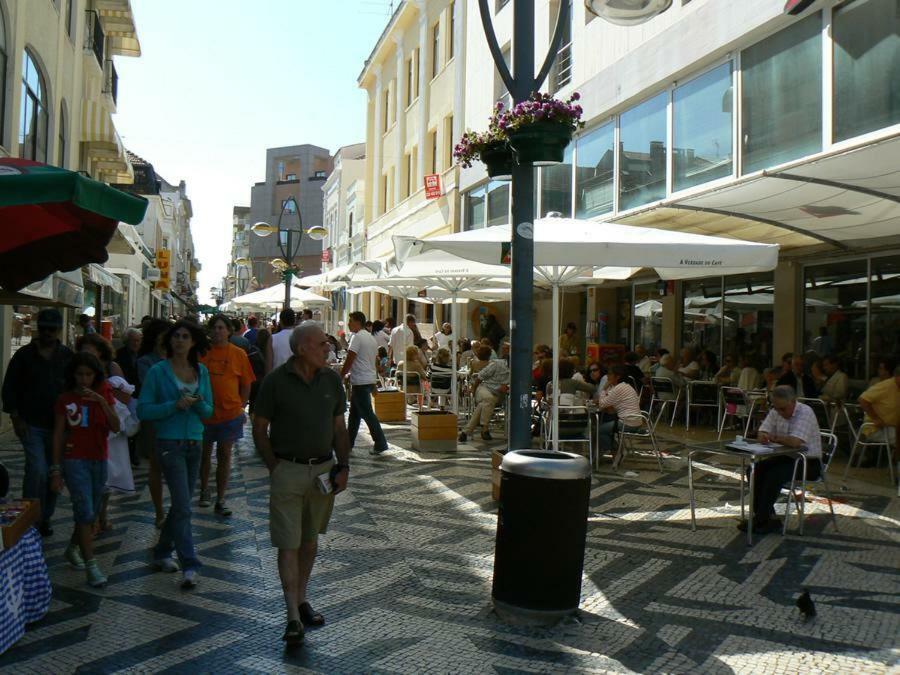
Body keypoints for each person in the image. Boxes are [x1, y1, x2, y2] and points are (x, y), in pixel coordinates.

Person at [252, 322, 351, 646]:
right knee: (288, 543)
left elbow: (339, 427)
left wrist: (344, 465)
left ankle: (302, 599)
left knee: (309, 541)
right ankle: (292, 616)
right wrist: (274, 467)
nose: (328, 348)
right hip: (288, 471)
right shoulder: (276, 382)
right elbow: (259, 427)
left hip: (322, 470)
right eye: (322, 344)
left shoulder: (332, 380)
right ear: (303, 348)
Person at [137, 320, 213, 589]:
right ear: (170, 341)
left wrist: (199, 403)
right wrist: (174, 405)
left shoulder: (201, 372)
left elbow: (208, 412)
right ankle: (190, 564)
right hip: (169, 444)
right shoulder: (158, 372)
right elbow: (144, 410)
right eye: (176, 336)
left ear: (193, 342)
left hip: (195, 443)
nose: (180, 340)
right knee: (182, 506)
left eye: (185, 336)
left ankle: (161, 552)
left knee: (180, 506)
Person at [50, 352, 120, 587]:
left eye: (88, 375)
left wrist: (100, 400)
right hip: (74, 459)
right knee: (84, 510)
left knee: (91, 510)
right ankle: (92, 566)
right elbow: (59, 433)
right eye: (79, 374)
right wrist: (56, 469)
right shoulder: (65, 399)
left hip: (98, 457)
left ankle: (72, 548)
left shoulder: (103, 395)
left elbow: (116, 425)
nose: (83, 380)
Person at [1, 308, 73, 535]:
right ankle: (29, 517)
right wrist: (15, 416)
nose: (48, 333)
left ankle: (45, 517)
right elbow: (9, 388)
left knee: (53, 472)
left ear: (58, 330)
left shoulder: (66, 356)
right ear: (38, 329)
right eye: (44, 328)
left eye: (52, 329)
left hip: (59, 427)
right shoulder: (23, 355)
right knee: (37, 470)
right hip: (31, 423)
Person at [745, 386, 822, 533]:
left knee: (774, 474)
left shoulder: (805, 412)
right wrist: (763, 436)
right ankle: (764, 517)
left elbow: (795, 442)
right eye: (777, 408)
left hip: (808, 462)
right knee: (754, 470)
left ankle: (762, 519)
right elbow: (762, 431)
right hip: (786, 457)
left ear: (793, 402)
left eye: (783, 409)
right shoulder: (776, 411)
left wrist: (773, 438)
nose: (780, 412)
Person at [199, 315, 255, 516]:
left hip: (229, 413)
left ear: (229, 331)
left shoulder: (238, 354)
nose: (217, 331)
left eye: (221, 328)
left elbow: (246, 383)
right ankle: (204, 490)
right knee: (204, 454)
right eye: (214, 327)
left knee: (225, 454)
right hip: (204, 414)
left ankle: (221, 498)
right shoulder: (201, 353)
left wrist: (242, 405)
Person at [136, 319, 171, 528]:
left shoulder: (178, 358)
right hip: (155, 420)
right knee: (156, 466)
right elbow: (149, 389)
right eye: (163, 334)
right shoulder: (146, 361)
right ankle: (159, 511)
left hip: (177, 420)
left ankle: (176, 508)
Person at [340, 311, 388, 456]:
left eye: (351, 321)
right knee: (354, 414)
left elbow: (350, 358)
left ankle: (380, 443)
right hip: (366, 379)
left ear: (358, 322)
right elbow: (372, 361)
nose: (348, 323)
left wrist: (341, 375)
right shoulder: (370, 338)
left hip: (360, 380)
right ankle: (348, 444)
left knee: (367, 414)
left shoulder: (357, 337)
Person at [459, 347, 509, 442]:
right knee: (489, 399)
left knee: (484, 404)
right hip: (484, 388)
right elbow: (480, 376)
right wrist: (473, 390)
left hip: (498, 395)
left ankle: (466, 432)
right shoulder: (497, 364)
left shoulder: (517, 371)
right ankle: (485, 427)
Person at [594, 364, 643, 457]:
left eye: (609, 374)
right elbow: (610, 404)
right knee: (604, 427)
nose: (607, 376)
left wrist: (604, 389)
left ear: (618, 376)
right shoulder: (625, 386)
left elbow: (602, 404)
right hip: (635, 420)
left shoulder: (618, 388)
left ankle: (616, 450)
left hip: (628, 423)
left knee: (598, 431)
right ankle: (612, 451)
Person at [856, 365, 900, 464]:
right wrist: (875, 418)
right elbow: (863, 399)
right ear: (897, 376)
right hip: (877, 428)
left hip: (893, 426)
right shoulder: (885, 386)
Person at [250, 328, 274, 416]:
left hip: (254, 381)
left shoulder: (252, 349)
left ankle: (253, 421)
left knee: (253, 405)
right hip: (265, 380)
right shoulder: (271, 349)